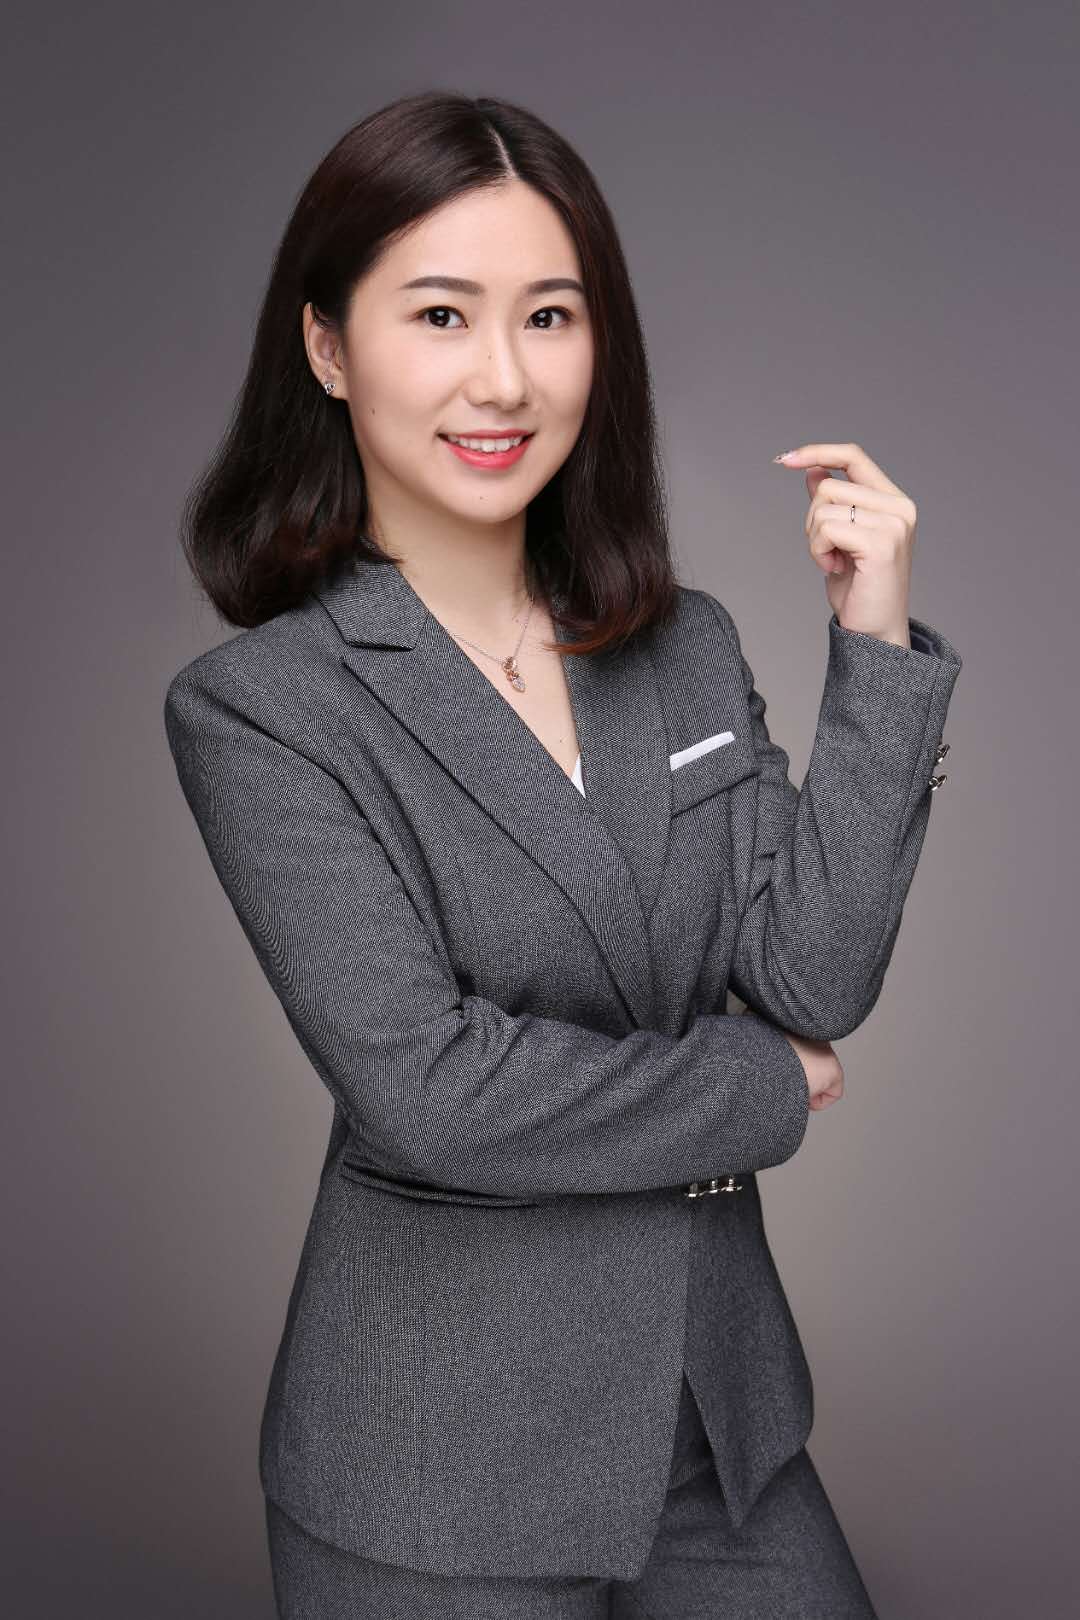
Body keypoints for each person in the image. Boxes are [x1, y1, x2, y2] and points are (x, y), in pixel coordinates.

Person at [164, 89, 961, 1618]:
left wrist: (873, 652)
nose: (505, 376)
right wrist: (757, 1087)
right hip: (437, 1462)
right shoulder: (263, 708)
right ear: (327, 347)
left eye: (549, 314)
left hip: (719, 1425)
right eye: (441, 315)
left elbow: (814, 976)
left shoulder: (683, 646)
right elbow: (430, 1090)